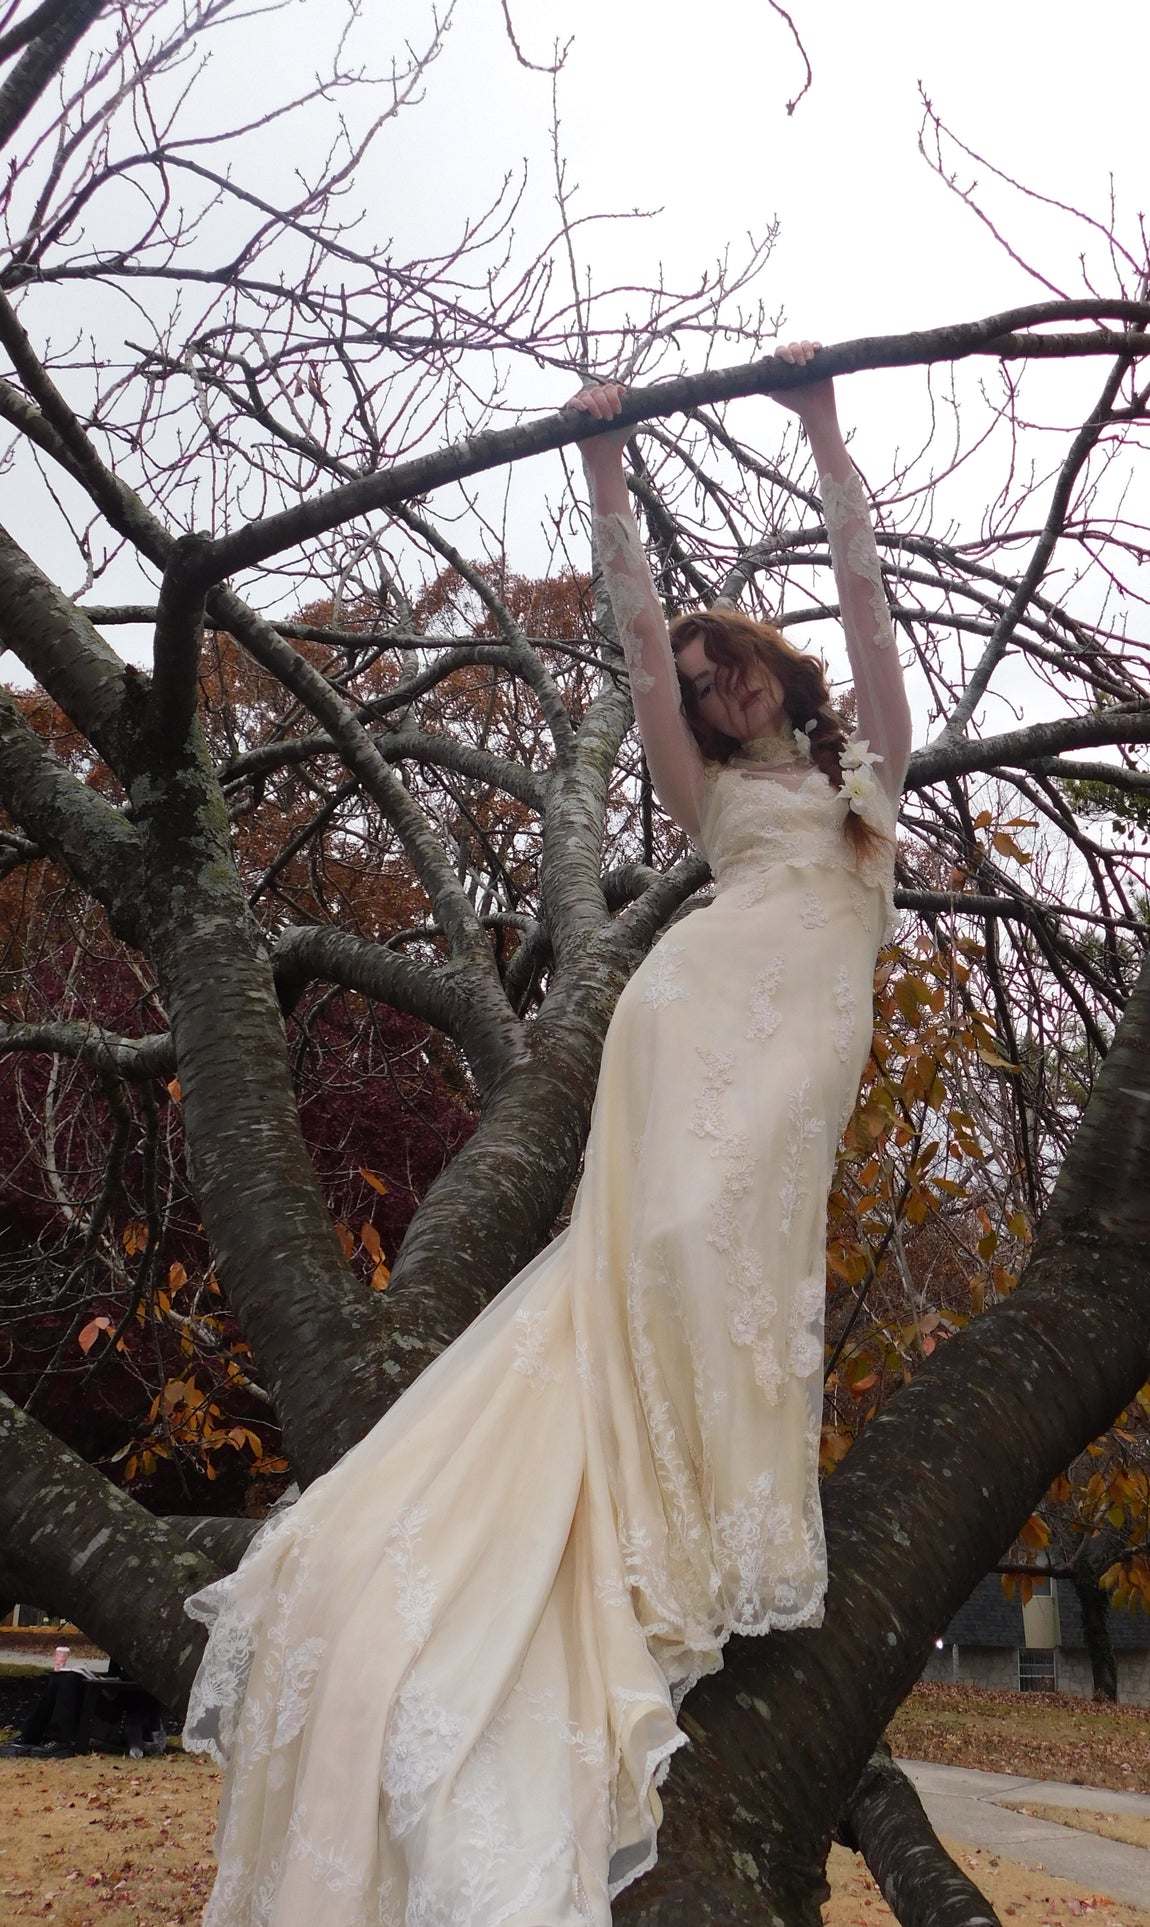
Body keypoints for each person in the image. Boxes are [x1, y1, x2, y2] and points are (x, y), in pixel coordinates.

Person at [181, 343, 911, 1927]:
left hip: (803, 1053)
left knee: (746, 1263)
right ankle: (646, 1537)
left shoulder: (871, 777)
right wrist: (603, 463)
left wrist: (824, 429)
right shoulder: (708, 793)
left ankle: (709, 1532)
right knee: (657, 1246)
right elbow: (640, 641)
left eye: (737, 673)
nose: (717, 691)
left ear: (783, 679)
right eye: (707, 687)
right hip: (688, 1028)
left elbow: (866, 610)